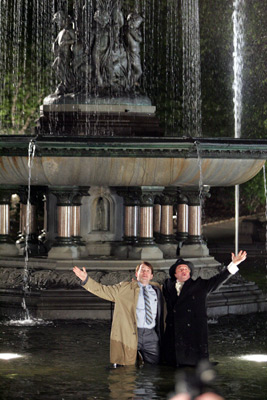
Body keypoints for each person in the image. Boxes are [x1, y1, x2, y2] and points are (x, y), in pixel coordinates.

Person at [163, 250, 247, 367]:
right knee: (171, 367)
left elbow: (218, 279)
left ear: (190, 273)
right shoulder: (167, 286)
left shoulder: (200, 285)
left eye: (186, 269)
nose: (184, 271)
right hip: (173, 333)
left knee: (194, 369)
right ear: (175, 274)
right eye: (180, 269)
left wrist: (233, 264)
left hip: (193, 332)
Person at [73, 261, 164, 366]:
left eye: (148, 271)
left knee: (155, 368)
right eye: (142, 270)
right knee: (125, 368)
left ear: (151, 276)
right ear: (136, 274)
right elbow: (103, 290)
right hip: (130, 334)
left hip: (151, 335)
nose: (145, 273)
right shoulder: (124, 288)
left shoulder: (158, 289)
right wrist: (86, 280)